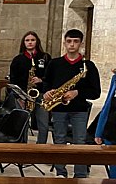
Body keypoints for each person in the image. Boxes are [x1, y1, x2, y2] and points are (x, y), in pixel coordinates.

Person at [44, 29, 100, 178]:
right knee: (59, 140)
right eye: (69, 41)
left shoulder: (88, 66)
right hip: (58, 108)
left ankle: (80, 174)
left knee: (79, 141)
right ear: (64, 43)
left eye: (75, 41)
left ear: (81, 43)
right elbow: (46, 83)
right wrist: (47, 92)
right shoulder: (55, 64)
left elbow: (96, 92)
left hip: (79, 110)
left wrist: (78, 93)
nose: (72, 45)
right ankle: (60, 173)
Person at [8, 31, 51, 144]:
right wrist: (18, 97)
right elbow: (13, 79)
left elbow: (51, 76)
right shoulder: (18, 59)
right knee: (22, 124)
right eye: (27, 40)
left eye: (32, 40)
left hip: (41, 94)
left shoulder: (45, 57)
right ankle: (22, 147)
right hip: (23, 95)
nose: (30, 42)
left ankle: (40, 148)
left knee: (44, 124)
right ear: (24, 43)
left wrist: (41, 80)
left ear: (37, 42)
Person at [95, 68, 116, 179]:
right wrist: (99, 131)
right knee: (113, 170)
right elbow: (107, 105)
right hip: (112, 130)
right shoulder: (115, 78)